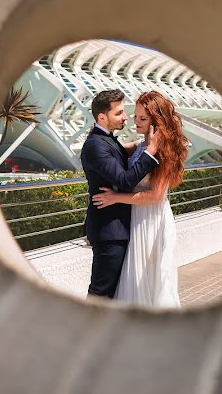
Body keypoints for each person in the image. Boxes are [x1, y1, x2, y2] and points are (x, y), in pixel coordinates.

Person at [92, 91, 188, 307]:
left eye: (142, 119)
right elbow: (114, 150)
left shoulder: (163, 151)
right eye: (135, 116)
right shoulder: (143, 144)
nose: (134, 121)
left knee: (147, 277)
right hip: (136, 217)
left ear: (157, 122)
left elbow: (155, 197)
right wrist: (97, 137)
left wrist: (115, 197)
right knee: (134, 278)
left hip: (150, 221)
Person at [81, 90, 160, 299]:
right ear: (102, 117)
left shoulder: (107, 140)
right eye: (119, 113)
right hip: (109, 231)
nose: (126, 117)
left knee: (112, 292)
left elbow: (121, 153)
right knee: (101, 293)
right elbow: (124, 181)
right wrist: (150, 152)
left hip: (118, 229)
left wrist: (143, 144)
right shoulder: (96, 145)